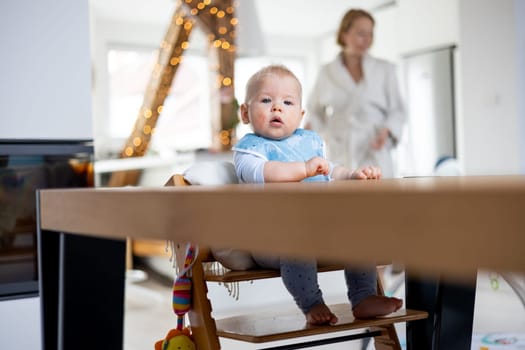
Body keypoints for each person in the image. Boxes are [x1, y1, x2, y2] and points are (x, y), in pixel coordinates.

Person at [232, 64, 402, 325]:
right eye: (266, 100)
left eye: (287, 102)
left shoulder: (308, 143)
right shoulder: (250, 150)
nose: (277, 108)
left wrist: (354, 175)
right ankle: (312, 303)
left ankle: (363, 296)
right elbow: (264, 172)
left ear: (300, 115)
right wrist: (303, 169)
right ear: (245, 112)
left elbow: (331, 170)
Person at [305, 9, 405, 178]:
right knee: (342, 201)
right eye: (360, 33)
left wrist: (387, 131)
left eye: (370, 34)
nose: (367, 40)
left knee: (378, 200)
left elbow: (398, 110)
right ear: (344, 35)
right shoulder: (327, 72)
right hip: (338, 150)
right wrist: (318, 134)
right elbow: (314, 111)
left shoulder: (385, 69)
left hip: (374, 148)